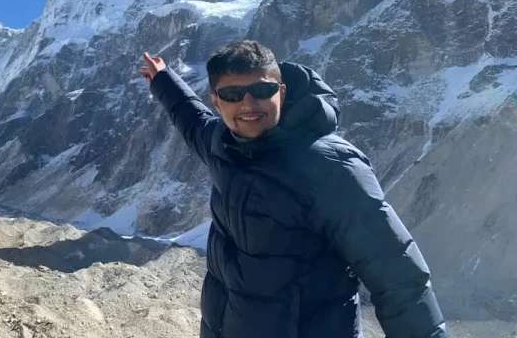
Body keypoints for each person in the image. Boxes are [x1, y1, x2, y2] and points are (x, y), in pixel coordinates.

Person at [139, 40, 447, 338]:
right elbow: (193, 122)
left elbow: (397, 275)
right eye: (233, 94)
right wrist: (164, 81)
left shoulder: (329, 166)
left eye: (261, 90)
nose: (248, 104)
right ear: (216, 101)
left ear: (281, 93)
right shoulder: (224, 144)